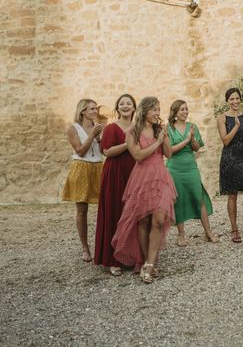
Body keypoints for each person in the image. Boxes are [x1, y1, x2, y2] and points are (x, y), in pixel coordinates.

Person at [111, 97, 177, 283]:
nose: (157, 113)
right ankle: (144, 260)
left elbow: (169, 154)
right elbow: (138, 156)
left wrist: (164, 137)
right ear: (145, 111)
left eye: (158, 109)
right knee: (143, 221)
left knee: (159, 217)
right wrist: (156, 143)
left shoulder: (159, 129)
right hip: (142, 177)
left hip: (161, 176)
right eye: (154, 110)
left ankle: (150, 263)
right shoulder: (133, 131)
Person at [94, 94, 136, 276]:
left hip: (135, 172)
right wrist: (128, 144)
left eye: (129, 103)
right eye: (122, 104)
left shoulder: (139, 127)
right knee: (115, 212)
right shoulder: (112, 127)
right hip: (115, 174)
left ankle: (132, 255)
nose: (125, 106)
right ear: (117, 108)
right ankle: (114, 259)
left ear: (134, 108)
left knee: (133, 213)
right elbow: (107, 151)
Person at [167, 100, 216, 246]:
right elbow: (169, 151)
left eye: (186, 109)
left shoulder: (192, 127)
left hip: (190, 168)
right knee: (179, 200)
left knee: (198, 198)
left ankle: (208, 232)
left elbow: (195, 148)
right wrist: (186, 140)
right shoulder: (168, 128)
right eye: (182, 109)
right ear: (175, 112)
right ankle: (181, 235)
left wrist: (193, 139)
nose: (185, 112)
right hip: (174, 168)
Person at [62, 98, 104, 262]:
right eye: (92, 108)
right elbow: (80, 151)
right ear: (83, 111)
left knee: (104, 207)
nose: (95, 111)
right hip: (81, 167)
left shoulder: (97, 128)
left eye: (95, 108)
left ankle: (103, 245)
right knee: (82, 210)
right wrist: (92, 135)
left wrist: (99, 139)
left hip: (98, 167)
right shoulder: (73, 129)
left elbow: (102, 151)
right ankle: (85, 248)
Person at [217, 88, 243, 243]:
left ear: (240, 100)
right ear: (227, 101)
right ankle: (234, 228)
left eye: (237, 98)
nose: (235, 102)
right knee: (232, 194)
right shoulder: (222, 118)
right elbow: (225, 141)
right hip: (230, 158)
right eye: (232, 99)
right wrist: (235, 126)